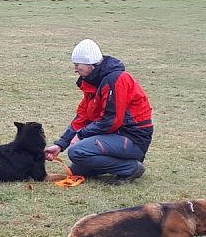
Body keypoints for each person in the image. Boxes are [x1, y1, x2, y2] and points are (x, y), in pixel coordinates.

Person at [43, 39, 153, 184]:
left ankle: (130, 168)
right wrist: (61, 144)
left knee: (77, 152)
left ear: (90, 64)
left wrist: (81, 135)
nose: (75, 69)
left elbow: (112, 121)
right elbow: (83, 117)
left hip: (132, 137)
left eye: (77, 65)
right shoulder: (93, 83)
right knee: (77, 169)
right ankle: (121, 162)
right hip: (115, 135)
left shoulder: (116, 79)